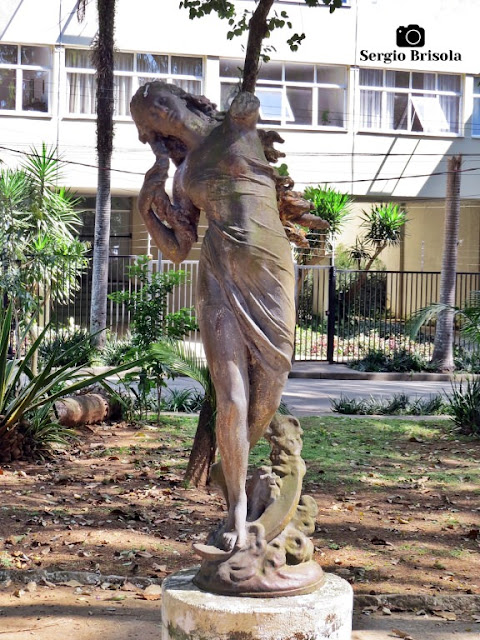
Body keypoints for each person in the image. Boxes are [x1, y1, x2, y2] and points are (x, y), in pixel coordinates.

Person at [130, 82, 296, 551]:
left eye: (161, 99)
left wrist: (247, 107)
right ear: (153, 132)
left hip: (270, 273)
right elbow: (178, 248)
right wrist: (149, 206)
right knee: (231, 397)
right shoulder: (183, 177)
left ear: (182, 99)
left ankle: (241, 477)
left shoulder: (236, 128)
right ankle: (237, 510)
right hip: (218, 278)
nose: (161, 112)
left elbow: (248, 108)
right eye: (150, 114)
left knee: (264, 399)